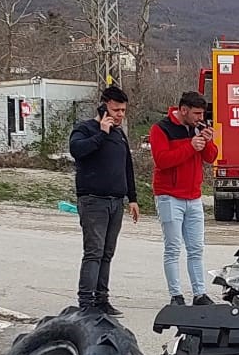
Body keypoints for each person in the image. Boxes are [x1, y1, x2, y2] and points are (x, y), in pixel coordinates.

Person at [69, 85, 140, 316]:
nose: (120, 114)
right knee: (94, 252)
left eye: (123, 110)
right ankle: (86, 303)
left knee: (107, 253)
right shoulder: (86, 129)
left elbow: (126, 167)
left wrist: (133, 198)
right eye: (116, 109)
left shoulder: (120, 134)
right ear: (104, 105)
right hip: (93, 201)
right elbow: (77, 151)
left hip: (115, 202)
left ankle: (102, 299)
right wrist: (101, 133)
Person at [149, 91, 218, 307]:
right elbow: (162, 160)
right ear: (183, 110)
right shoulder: (160, 129)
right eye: (196, 113)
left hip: (194, 196)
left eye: (202, 113)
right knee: (173, 247)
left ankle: (199, 293)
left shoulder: (196, 128)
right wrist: (190, 147)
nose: (200, 117)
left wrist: (207, 142)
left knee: (196, 248)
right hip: (169, 196)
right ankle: (176, 295)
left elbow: (211, 157)